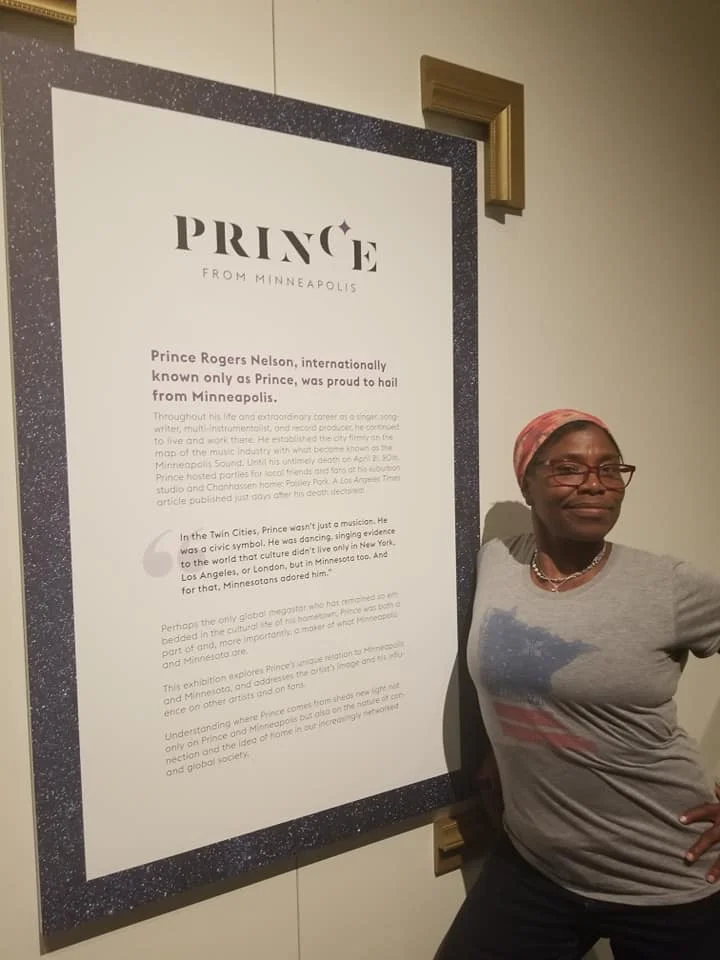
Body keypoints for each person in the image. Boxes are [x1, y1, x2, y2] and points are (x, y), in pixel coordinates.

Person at [437, 409, 720, 960]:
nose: (595, 484)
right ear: (527, 483)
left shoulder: (668, 586)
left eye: (610, 469)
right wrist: (502, 751)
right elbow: (520, 679)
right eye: (568, 468)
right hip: (537, 865)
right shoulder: (498, 561)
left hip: (669, 872)